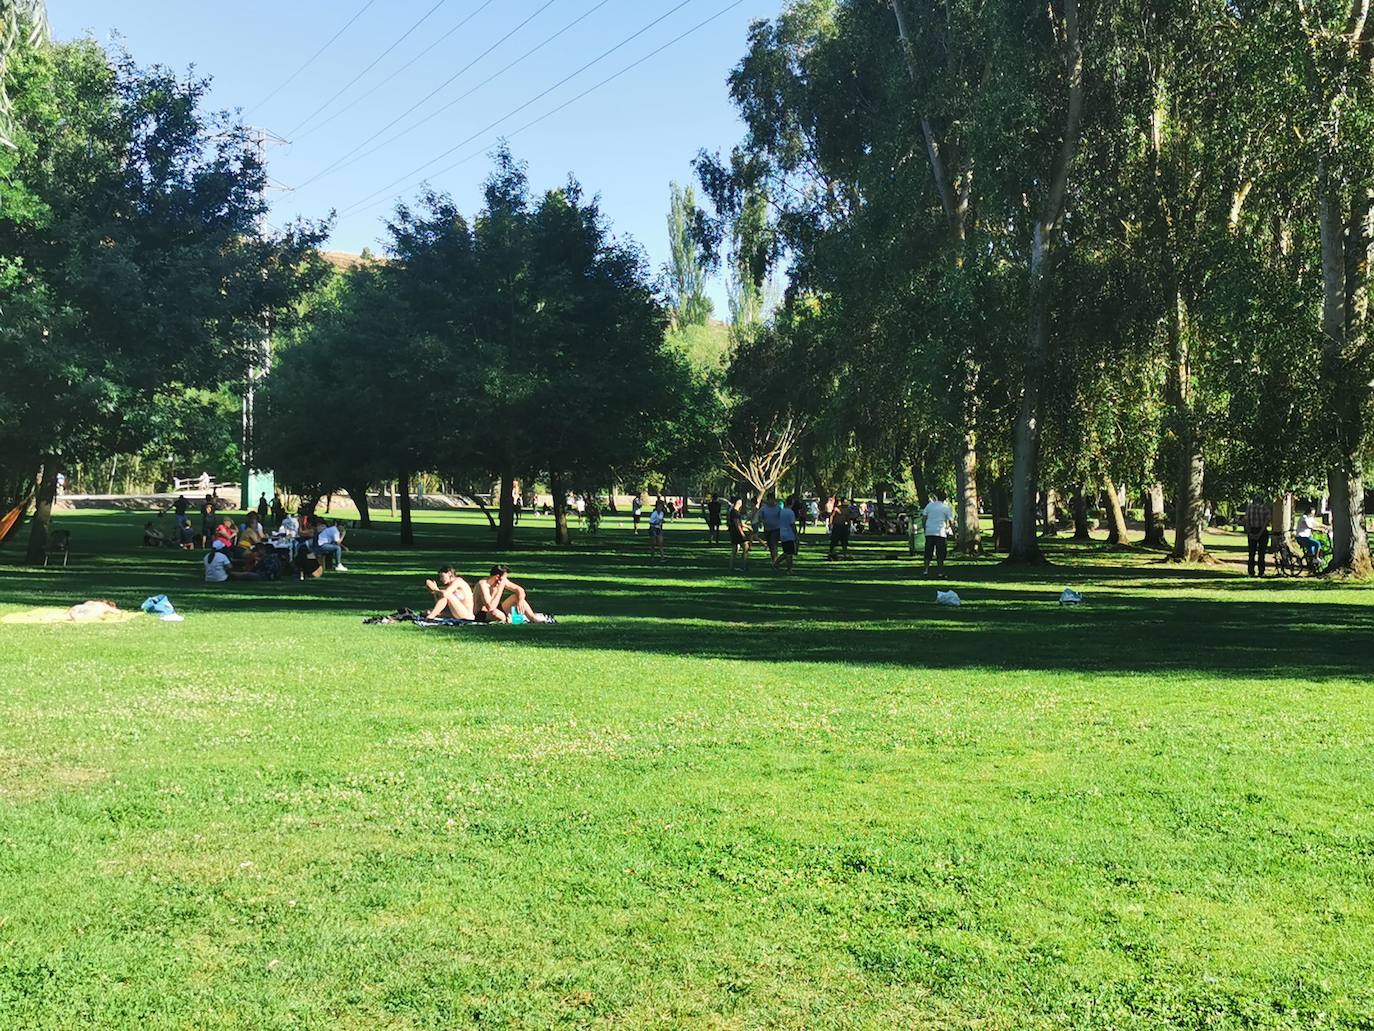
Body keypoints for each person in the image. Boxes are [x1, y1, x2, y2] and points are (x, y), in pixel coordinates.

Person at [474, 565, 544, 623]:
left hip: (497, 608)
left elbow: (519, 589)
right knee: (494, 613)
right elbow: (490, 607)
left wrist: (521, 600)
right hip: (483, 614)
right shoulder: (483, 585)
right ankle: (508, 620)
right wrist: (499, 590)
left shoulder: (501, 581)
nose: (505, 580)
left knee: (516, 597)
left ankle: (533, 619)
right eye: (505, 578)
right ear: (497, 577)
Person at [921, 490, 955, 575]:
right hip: (940, 532)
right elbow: (951, 521)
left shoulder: (930, 505)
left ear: (937, 497)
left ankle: (926, 570)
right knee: (940, 553)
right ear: (945, 498)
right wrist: (954, 532)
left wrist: (925, 527)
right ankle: (940, 571)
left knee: (928, 551)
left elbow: (924, 517)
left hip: (929, 532)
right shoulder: (945, 507)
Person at [1243, 497, 1270, 577]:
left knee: (1251, 553)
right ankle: (1261, 572)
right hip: (1262, 531)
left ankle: (1251, 572)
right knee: (1261, 553)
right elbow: (1267, 521)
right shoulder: (1265, 509)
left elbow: (1246, 521)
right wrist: (1260, 532)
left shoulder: (1249, 508)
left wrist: (1249, 532)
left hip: (1252, 529)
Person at [757, 492, 783, 565]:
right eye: (770, 499)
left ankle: (775, 561)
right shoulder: (764, 508)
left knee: (773, 543)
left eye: (772, 499)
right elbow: (759, 516)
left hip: (776, 529)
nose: (771, 501)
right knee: (771, 546)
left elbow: (782, 517)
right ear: (767, 500)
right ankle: (774, 560)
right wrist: (761, 523)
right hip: (767, 529)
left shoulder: (778, 508)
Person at [776, 495, 800, 572]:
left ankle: (776, 563)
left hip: (782, 533)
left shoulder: (782, 511)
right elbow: (792, 524)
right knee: (789, 553)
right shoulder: (790, 512)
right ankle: (789, 569)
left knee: (786, 552)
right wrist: (796, 534)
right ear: (792, 503)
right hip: (789, 534)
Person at [728, 496, 751, 572]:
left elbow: (740, 523)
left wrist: (747, 526)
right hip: (737, 532)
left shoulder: (735, 511)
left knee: (734, 549)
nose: (741, 504)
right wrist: (742, 534)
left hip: (733, 532)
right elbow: (737, 524)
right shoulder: (734, 512)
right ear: (738, 502)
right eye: (740, 502)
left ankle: (731, 567)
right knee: (746, 547)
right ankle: (744, 566)